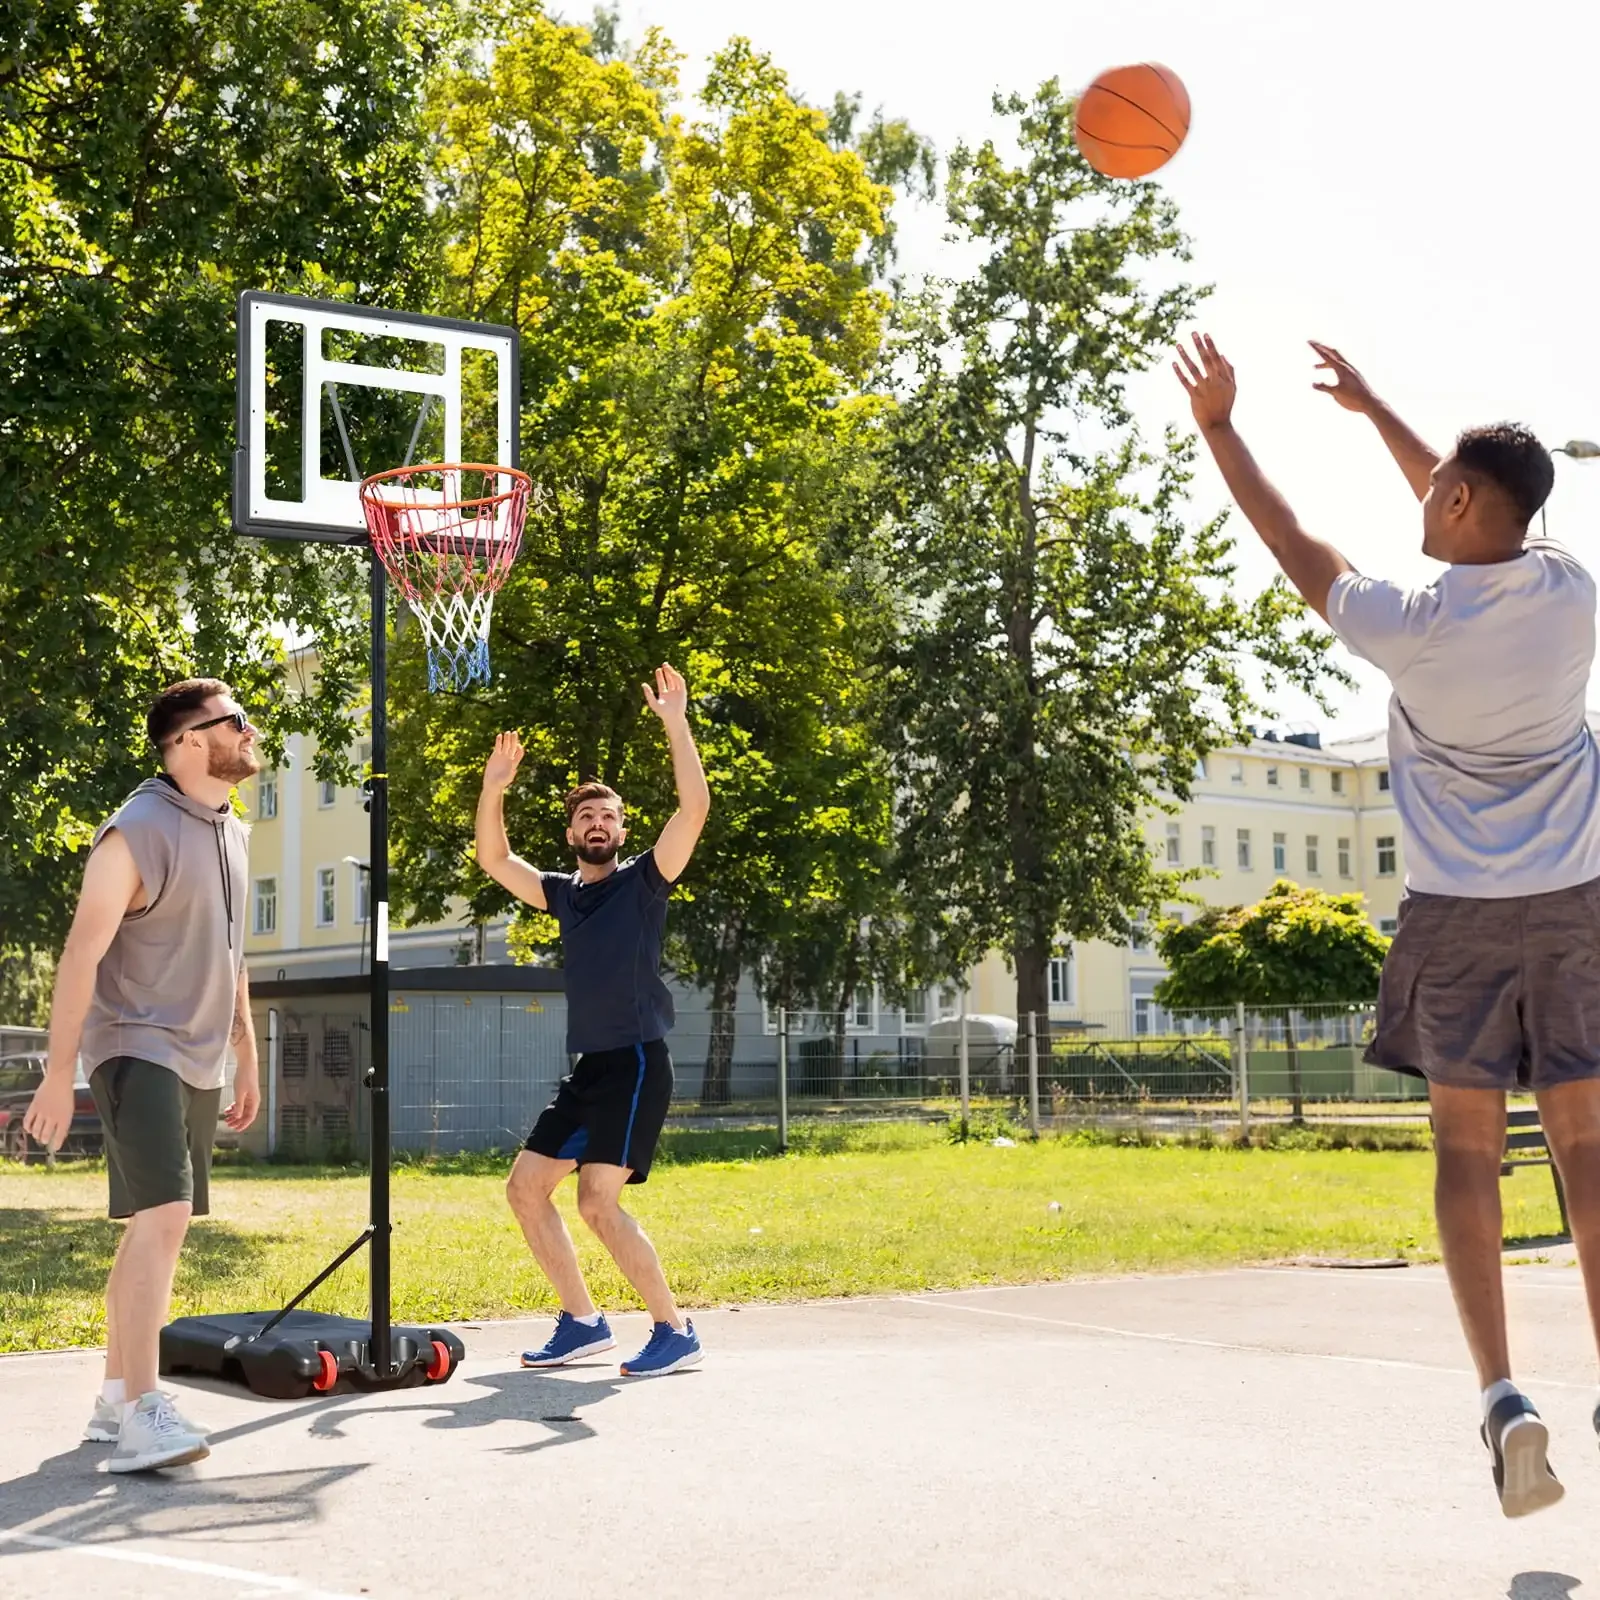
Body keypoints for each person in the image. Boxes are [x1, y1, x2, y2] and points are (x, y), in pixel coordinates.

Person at [1175, 332, 1600, 1517]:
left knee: (1465, 1152)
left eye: (1434, 486)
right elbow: (1483, 507)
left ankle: (1503, 1397)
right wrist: (1377, 414)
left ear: (1456, 500)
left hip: (1457, 914)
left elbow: (1287, 537)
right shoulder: (1569, 591)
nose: (1422, 492)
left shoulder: (1405, 623)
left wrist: (1220, 427)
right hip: (1575, 901)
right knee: (1585, 1146)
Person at [25, 678, 262, 1471]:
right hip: (135, 1043)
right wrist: (59, 1072)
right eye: (236, 721)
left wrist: (246, 1053)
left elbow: (233, 954)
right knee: (166, 1215)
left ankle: (114, 1397)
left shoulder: (232, 831)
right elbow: (80, 953)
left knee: (150, 1226)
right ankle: (143, 1412)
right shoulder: (136, 830)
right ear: (189, 740)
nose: (251, 732)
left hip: (197, 1053)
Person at [476, 663, 711, 1378]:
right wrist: (494, 786)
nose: (598, 823)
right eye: (586, 817)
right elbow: (493, 857)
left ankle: (674, 1330)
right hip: (591, 1068)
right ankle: (583, 1323)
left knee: (597, 1203)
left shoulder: (645, 882)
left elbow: (693, 809)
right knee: (524, 1188)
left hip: (637, 1060)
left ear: (622, 829)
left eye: (608, 816)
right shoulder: (563, 894)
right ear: (573, 833)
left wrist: (676, 724)